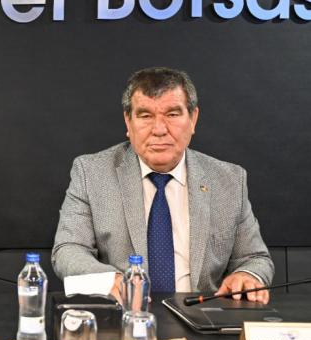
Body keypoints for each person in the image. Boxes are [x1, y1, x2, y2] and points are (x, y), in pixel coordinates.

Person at [52, 67, 274, 302]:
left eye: (173, 114)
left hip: (202, 315)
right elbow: (68, 250)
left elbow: (254, 258)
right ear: (128, 121)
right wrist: (111, 280)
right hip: (125, 312)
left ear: (193, 119)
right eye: (145, 116)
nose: (159, 130)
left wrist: (247, 275)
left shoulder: (229, 180)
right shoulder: (92, 173)